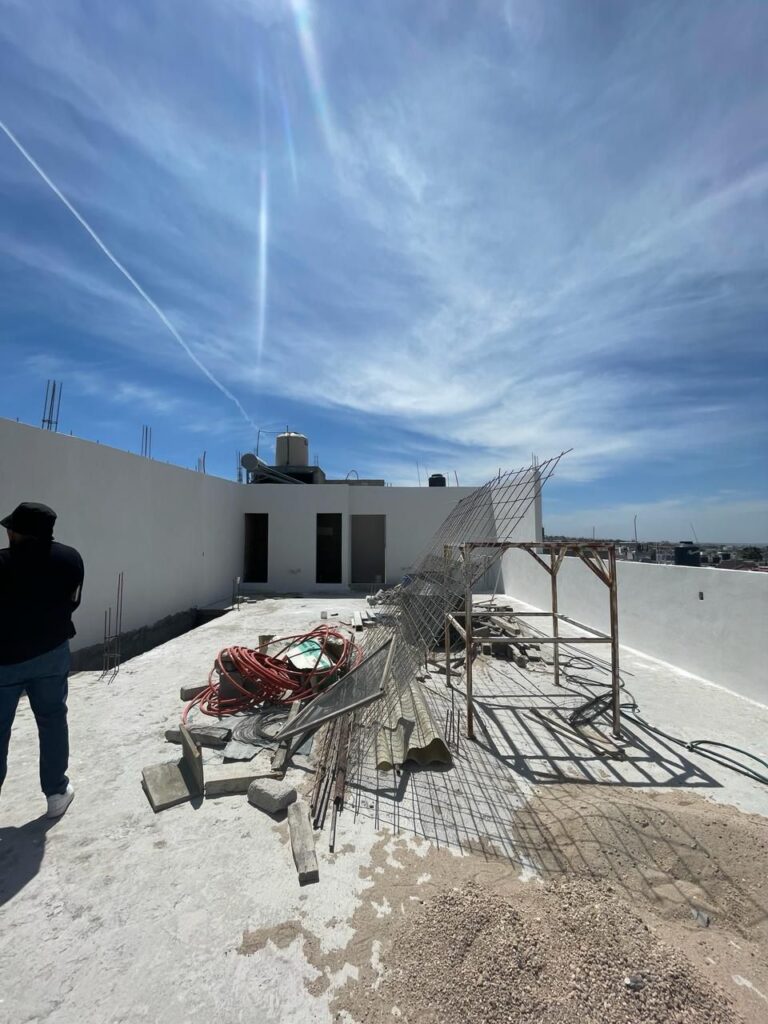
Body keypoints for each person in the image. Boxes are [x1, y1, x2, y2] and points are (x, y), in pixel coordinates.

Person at [0, 502, 84, 818]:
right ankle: (56, 792)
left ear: (16, 532)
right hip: (51, 653)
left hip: (4, 660)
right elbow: (73, 602)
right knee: (52, 721)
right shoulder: (70, 559)